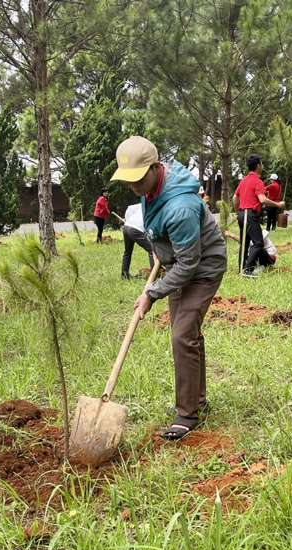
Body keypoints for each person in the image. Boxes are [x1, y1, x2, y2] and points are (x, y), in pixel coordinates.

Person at [110, 136, 227, 441]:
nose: (133, 185)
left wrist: (151, 292)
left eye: (138, 178)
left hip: (201, 270)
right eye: (128, 180)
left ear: (156, 168)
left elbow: (189, 265)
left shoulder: (181, 207)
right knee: (186, 334)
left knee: (181, 334)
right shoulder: (152, 188)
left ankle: (187, 414)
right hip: (177, 265)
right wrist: (159, 255)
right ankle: (198, 399)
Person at [232, 154, 285, 278]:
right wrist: (278, 204)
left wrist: (237, 213)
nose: (262, 166)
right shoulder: (258, 181)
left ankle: (241, 268)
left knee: (244, 244)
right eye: (261, 164)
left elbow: (235, 198)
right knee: (258, 243)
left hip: (242, 214)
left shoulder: (243, 180)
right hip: (250, 215)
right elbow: (262, 199)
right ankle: (248, 270)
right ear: (258, 166)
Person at [121, 203, 154, 279]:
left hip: (126, 227)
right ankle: (155, 274)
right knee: (152, 250)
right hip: (136, 229)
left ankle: (124, 275)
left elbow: (129, 208)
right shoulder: (156, 206)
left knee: (127, 251)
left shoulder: (143, 204)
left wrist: (128, 219)